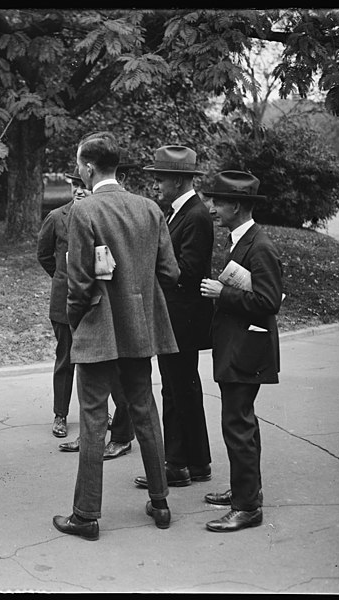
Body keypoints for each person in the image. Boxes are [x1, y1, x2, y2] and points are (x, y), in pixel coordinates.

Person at [52, 131, 181, 540]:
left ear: (89, 168)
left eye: (77, 165)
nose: (77, 170)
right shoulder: (149, 209)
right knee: (145, 411)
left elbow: (79, 284)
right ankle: (160, 503)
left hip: (97, 329)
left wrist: (77, 322)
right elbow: (171, 273)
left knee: (92, 420)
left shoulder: (83, 212)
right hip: (138, 329)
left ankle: (86, 515)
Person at [199, 170, 283, 532]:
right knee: (242, 422)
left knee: (237, 424)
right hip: (239, 347)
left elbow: (267, 301)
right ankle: (245, 491)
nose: (213, 208)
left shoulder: (260, 246)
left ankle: (247, 507)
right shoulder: (243, 240)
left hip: (246, 351)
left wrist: (223, 294)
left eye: (218, 202)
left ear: (235, 205)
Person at [37, 167, 133, 460]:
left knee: (107, 365)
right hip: (66, 302)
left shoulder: (99, 215)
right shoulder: (57, 217)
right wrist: (66, 279)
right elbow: (44, 256)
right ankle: (61, 415)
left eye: (83, 185)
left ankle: (111, 428)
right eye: (74, 186)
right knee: (66, 360)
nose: (79, 190)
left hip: (98, 302)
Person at [134, 145, 214, 490]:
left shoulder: (194, 216)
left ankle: (177, 464)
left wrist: (151, 266)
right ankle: (196, 462)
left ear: (179, 181)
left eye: (161, 178)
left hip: (182, 319)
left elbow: (189, 271)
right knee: (183, 388)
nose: (157, 185)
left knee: (176, 389)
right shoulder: (180, 212)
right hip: (178, 317)